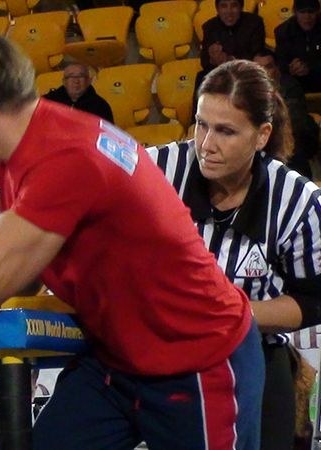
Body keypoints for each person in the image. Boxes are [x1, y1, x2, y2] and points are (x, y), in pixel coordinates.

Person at [0, 33, 265, 449]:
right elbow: (21, 274)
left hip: (196, 358)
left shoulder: (65, 158)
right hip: (118, 363)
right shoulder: (26, 147)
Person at [148, 59, 321, 450]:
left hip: (254, 355)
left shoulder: (298, 202)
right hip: (163, 354)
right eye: (201, 124)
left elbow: (313, 299)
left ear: (262, 135)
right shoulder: (158, 170)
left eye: (225, 131)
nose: (206, 145)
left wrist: (231, 315)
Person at [253, 48, 319, 177]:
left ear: (277, 69)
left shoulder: (290, 86)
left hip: (290, 146)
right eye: (258, 68)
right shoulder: (245, 91)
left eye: (268, 67)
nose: (263, 72)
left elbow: (293, 121)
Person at [200, 0, 265, 72]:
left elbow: (258, 55)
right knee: (201, 76)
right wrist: (213, 59)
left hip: (247, 72)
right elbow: (204, 62)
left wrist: (230, 59)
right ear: (217, 9)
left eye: (234, 6)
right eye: (224, 6)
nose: (229, 12)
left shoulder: (255, 23)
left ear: (241, 8)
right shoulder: (209, 26)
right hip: (220, 73)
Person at [42, 62, 114, 123]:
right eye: (71, 76)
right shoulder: (48, 102)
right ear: (64, 81)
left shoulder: (100, 106)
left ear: (89, 81)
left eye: (81, 76)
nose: (76, 81)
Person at [275, 0, 321, 93]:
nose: (307, 17)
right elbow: (280, 60)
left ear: (317, 12)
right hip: (295, 78)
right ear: (295, 12)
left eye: (311, 12)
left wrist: (310, 66)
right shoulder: (283, 31)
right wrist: (290, 68)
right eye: (302, 12)